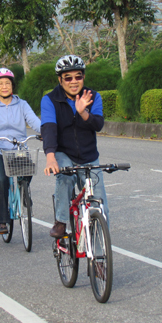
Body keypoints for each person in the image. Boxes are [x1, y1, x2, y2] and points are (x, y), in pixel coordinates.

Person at [41, 55, 109, 238]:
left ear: (83, 77)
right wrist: (50, 157)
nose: (73, 82)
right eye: (68, 78)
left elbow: (98, 125)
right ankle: (61, 221)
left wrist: (83, 112)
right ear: (60, 79)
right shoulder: (50, 100)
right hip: (64, 152)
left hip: (89, 155)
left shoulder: (93, 96)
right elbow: (49, 129)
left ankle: (99, 260)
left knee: (100, 207)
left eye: (78, 77)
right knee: (65, 178)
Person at [0, 68, 41, 234]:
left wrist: (44, 131)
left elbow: (34, 121)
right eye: (0, 84)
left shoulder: (22, 104)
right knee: (1, 180)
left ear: (12, 86)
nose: (4, 86)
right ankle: (2, 221)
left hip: (18, 149)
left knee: (29, 169)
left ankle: (23, 192)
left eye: (7, 83)